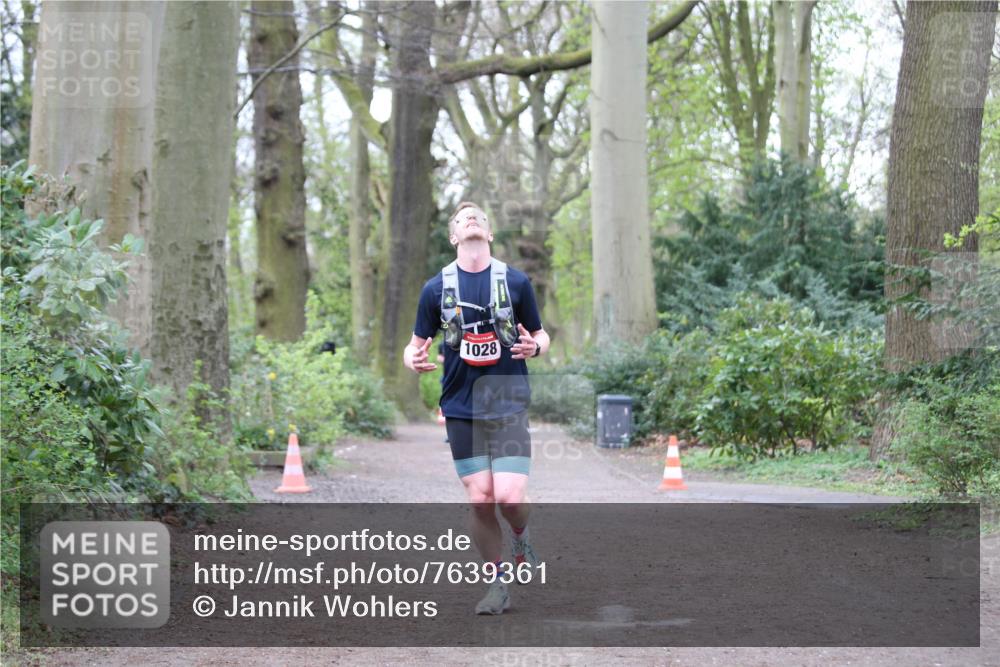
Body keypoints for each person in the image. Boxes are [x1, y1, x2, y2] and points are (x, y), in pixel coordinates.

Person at [403, 201, 550, 615]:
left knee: (509, 495)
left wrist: (535, 347)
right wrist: (411, 359)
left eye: (479, 218)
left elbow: (541, 334)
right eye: (463, 218)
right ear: (453, 236)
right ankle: (497, 583)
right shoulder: (435, 289)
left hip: (507, 399)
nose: (471, 220)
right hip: (460, 405)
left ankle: (520, 537)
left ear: (488, 234)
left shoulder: (515, 282)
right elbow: (413, 345)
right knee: (481, 498)